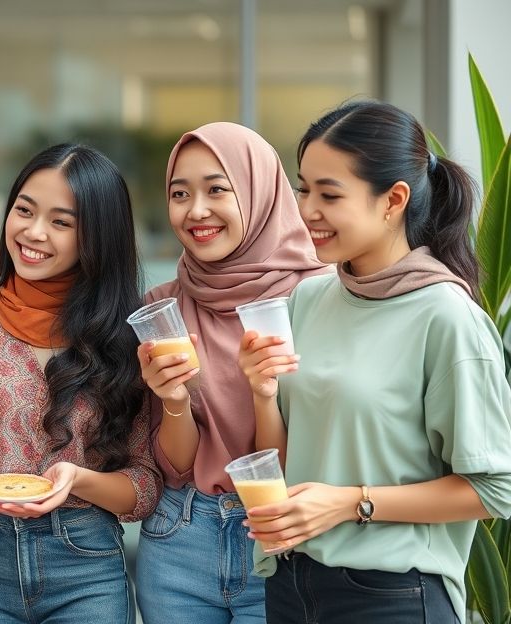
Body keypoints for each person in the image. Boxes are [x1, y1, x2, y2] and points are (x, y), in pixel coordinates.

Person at [239, 100, 511, 623]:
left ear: (393, 200)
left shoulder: (448, 318)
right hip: (292, 586)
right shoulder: (307, 300)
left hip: (393, 597)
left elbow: (493, 488)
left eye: (330, 194)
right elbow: (288, 464)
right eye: (304, 188)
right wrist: (263, 393)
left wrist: (353, 502)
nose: (307, 210)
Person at [0, 143, 161, 623]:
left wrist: (75, 479)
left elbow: (143, 488)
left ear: (97, 237)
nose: (33, 232)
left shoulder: (125, 338)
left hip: (86, 566)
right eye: (24, 210)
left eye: (61, 222)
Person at [133, 122, 326, 623]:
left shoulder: (320, 298)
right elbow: (174, 467)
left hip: (286, 542)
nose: (196, 211)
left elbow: (305, 458)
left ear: (259, 192)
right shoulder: (163, 308)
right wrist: (173, 398)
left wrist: (265, 392)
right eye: (180, 193)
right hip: (181, 538)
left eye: (217, 189)